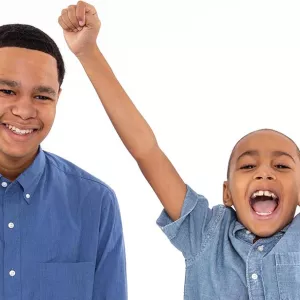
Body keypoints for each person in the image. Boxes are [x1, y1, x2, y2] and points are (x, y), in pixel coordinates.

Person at [65, 1, 300, 299]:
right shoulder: (204, 234)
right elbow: (146, 150)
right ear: (227, 194)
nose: (265, 172)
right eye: (248, 166)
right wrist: (88, 52)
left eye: (281, 166)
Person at [0, 2, 127, 300]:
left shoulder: (95, 203)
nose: (24, 111)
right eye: (7, 91)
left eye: (42, 95)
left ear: (58, 98)